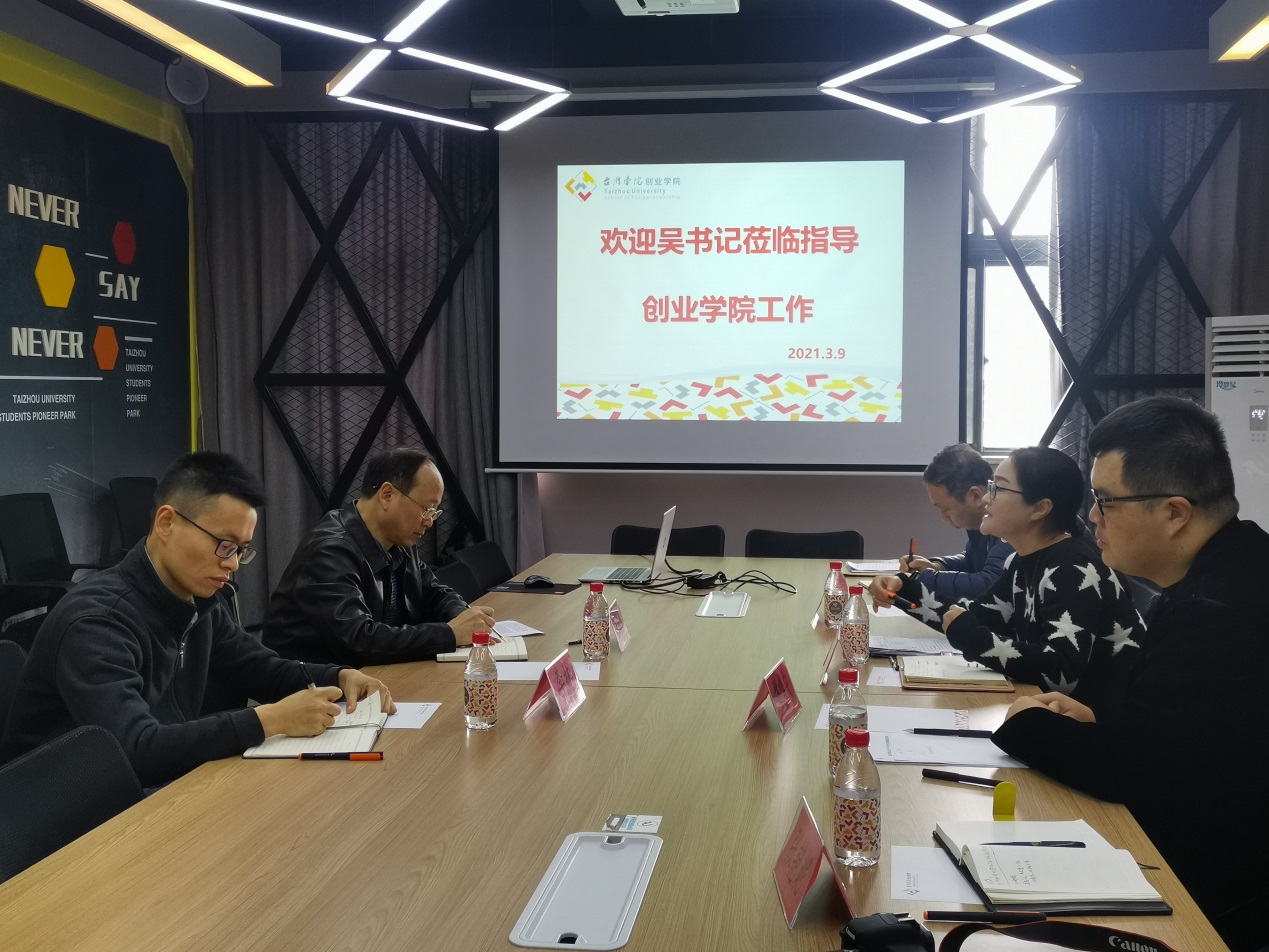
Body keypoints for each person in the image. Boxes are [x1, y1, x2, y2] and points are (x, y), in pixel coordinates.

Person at [992, 398, 1268, 951]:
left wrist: (1023, 721)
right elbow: (1184, 734)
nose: (1092, 517)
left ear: (1175, 512)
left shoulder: (1217, 611)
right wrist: (1098, 719)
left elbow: (1131, 771)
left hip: (1226, 896)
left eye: (1105, 501)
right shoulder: (1237, 561)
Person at [0, 452, 394, 788]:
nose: (232, 564)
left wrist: (339, 677)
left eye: (241, 550)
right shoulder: (96, 622)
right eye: (224, 545)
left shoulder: (198, 601)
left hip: (152, 790)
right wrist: (267, 720)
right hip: (63, 817)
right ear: (166, 523)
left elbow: (261, 669)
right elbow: (134, 750)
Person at [873, 446, 1144, 714]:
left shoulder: (1072, 568)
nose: (985, 499)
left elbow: (1060, 673)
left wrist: (975, 639)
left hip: (1108, 724)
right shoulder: (1020, 561)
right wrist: (904, 590)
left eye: (998, 489)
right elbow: (976, 617)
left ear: (1039, 508)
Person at [264, 447, 496, 666]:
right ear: (387, 495)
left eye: (434, 512)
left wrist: (463, 616)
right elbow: (359, 640)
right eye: (426, 509)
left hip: (374, 675)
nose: (428, 522)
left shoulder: (399, 538)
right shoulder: (330, 552)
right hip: (317, 687)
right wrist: (451, 634)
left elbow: (433, 593)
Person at [882, 443, 1014, 601]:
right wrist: (937, 566)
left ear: (976, 496)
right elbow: (972, 561)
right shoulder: (980, 522)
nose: (943, 517)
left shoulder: (1008, 524)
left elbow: (989, 583)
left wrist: (918, 579)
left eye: (945, 508)